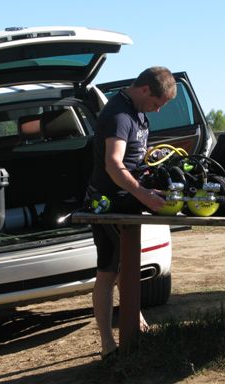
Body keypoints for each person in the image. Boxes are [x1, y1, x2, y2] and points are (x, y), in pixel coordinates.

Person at [87, 66, 177, 359]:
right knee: (108, 270)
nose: (158, 110)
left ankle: (135, 325)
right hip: (108, 204)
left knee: (127, 267)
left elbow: (136, 158)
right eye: (157, 103)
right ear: (144, 90)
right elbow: (114, 163)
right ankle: (107, 345)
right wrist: (141, 192)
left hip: (128, 201)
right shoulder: (119, 116)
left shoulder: (138, 113)